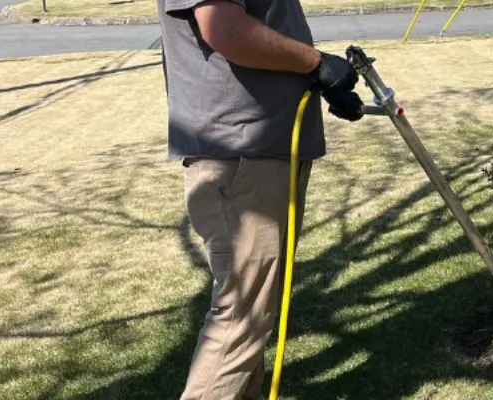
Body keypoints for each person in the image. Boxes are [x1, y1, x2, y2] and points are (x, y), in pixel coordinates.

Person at [155, 0, 364, 397]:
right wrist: (316, 63)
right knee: (241, 319)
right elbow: (226, 30)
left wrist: (317, 83)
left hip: (262, 155)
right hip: (242, 158)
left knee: (254, 317)